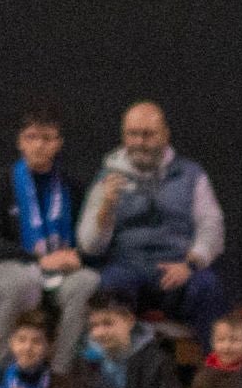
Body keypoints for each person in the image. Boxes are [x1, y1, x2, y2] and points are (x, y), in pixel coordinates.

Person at [75, 102, 226, 341]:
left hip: (177, 268)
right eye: (132, 134)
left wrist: (191, 265)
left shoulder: (191, 174)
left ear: (165, 135)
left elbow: (212, 227)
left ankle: (216, 372)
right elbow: (90, 246)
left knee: (208, 286)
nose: (139, 142)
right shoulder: (107, 177)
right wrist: (106, 208)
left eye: (148, 134)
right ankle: (115, 372)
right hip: (127, 269)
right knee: (109, 288)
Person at [0, 104, 99, 372]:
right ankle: (0, 374)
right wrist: (38, 259)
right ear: (20, 142)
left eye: (47, 138)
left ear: (58, 143)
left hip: (58, 275)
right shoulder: (1, 184)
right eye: (32, 137)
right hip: (7, 269)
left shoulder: (71, 186)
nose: (39, 145)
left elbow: (87, 240)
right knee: (23, 281)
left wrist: (78, 256)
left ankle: (60, 374)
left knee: (86, 281)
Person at [79, 288, 181, 388]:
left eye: (108, 323)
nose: (99, 333)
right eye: (94, 326)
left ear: (129, 321)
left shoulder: (156, 360)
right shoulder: (88, 361)